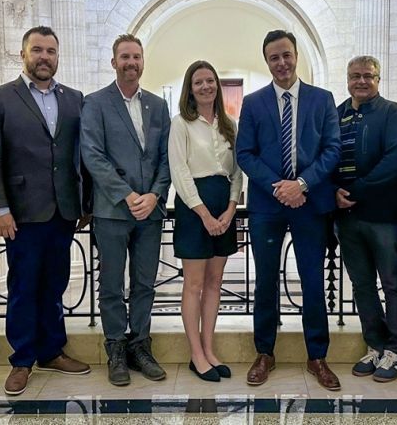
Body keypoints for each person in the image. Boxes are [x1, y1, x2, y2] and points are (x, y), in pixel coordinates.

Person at [0, 26, 92, 397]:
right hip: (21, 214)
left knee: (55, 283)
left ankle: (52, 351)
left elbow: (83, 156)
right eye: (37, 50)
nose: (45, 57)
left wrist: (85, 201)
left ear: (58, 57)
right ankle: (22, 359)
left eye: (51, 51)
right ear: (23, 54)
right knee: (23, 286)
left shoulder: (75, 99)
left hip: (64, 211)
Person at [236, 30, 342, 391]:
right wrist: (279, 188)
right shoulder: (253, 103)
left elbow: (332, 149)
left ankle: (317, 356)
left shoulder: (321, 99)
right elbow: (244, 153)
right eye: (273, 58)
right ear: (266, 62)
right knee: (265, 280)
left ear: (296, 55)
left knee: (312, 280)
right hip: (268, 205)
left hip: (310, 204)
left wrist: (303, 185)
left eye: (286, 55)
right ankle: (265, 352)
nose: (281, 63)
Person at [81, 33, 171, 386]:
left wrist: (154, 194)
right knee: (112, 286)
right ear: (113, 61)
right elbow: (92, 154)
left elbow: (166, 157)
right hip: (113, 211)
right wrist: (126, 194)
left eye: (136, 57)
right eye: (124, 57)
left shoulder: (158, 106)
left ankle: (140, 346)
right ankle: (116, 348)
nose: (131, 62)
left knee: (145, 283)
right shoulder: (96, 103)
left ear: (142, 61)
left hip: (150, 210)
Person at [333, 55, 397, 382]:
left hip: (383, 217)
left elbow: (396, 160)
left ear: (378, 79)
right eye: (355, 76)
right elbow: (324, 156)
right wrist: (332, 191)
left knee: (393, 283)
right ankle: (375, 345)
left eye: (368, 75)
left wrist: (358, 189)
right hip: (347, 217)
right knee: (362, 284)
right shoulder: (336, 115)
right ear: (347, 79)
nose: (361, 81)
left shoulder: (393, 114)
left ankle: (396, 350)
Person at [168, 60, 242, 383]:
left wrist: (230, 210)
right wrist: (204, 214)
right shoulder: (181, 124)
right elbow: (180, 171)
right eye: (198, 82)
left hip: (224, 207)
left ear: (217, 84)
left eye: (210, 80)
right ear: (190, 88)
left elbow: (238, 172)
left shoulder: (230, 125)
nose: (205, 86)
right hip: (193, 208)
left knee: (215, 284)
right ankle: (196, 355)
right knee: (194, 284)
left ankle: (210, 349)